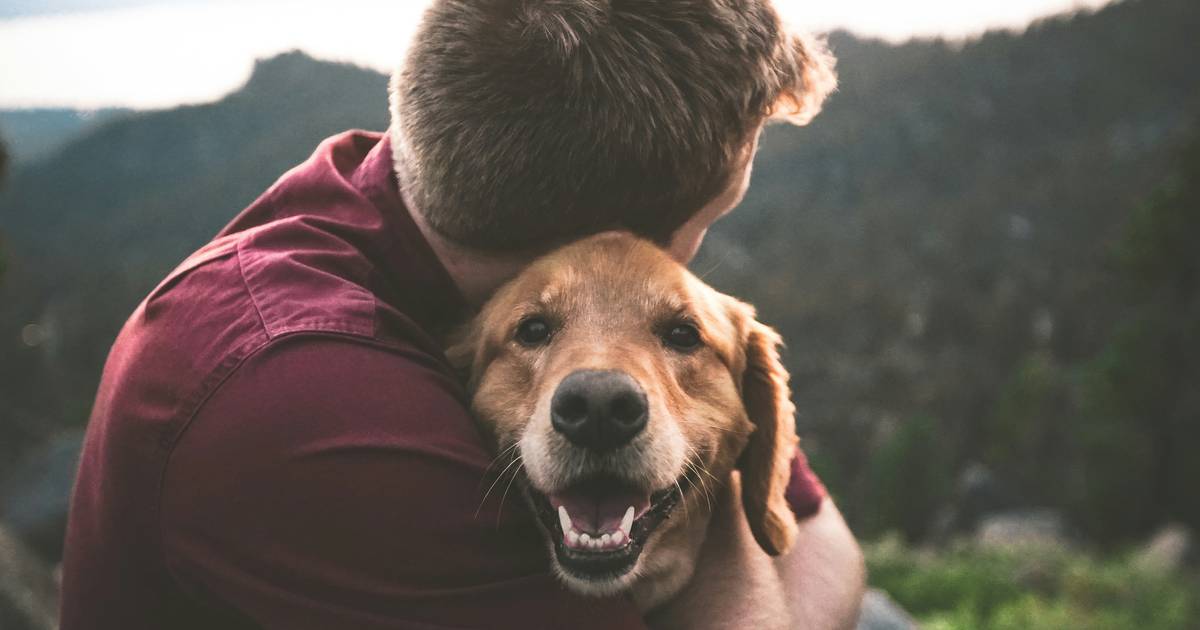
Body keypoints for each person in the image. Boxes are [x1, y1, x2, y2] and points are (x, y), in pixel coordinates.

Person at [60, 0, 863, 628]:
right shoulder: (308, 402)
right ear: (608, 237)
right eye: (707, 222)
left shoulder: (406, 195)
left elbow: (820, 537)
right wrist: (714, 501)